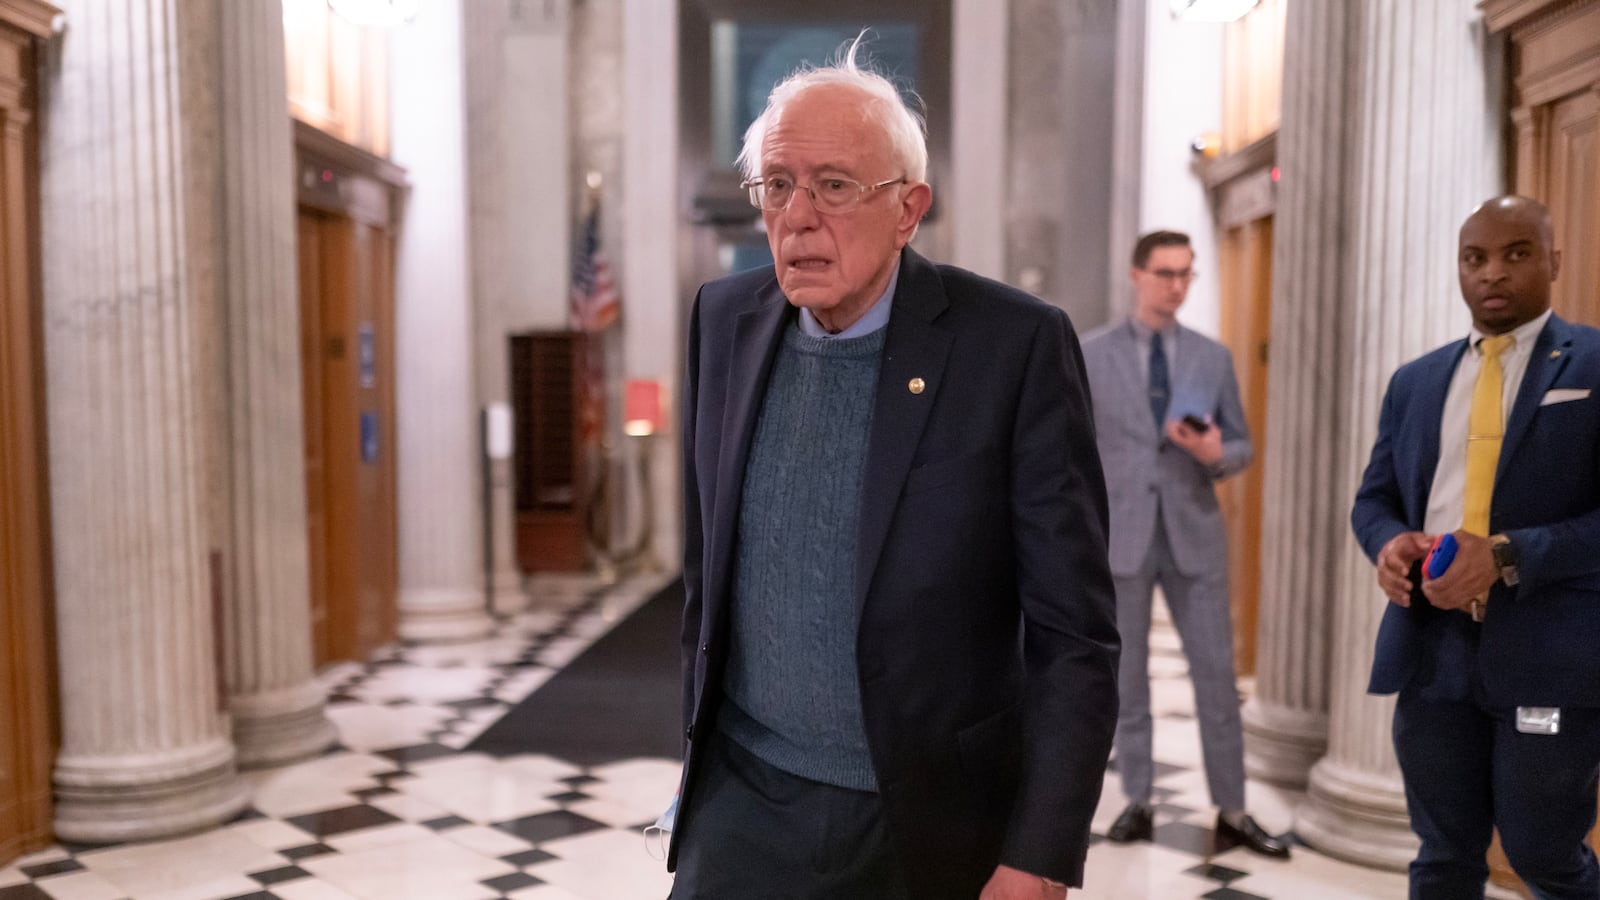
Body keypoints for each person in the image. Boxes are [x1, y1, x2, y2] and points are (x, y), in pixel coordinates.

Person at [666, 43, 1120, 900]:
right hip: (742, 801)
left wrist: (1040, 855)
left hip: (926, 818)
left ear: (909, 209)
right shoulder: (722, 319)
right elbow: (707, 567)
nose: (798, 216)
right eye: (777, 186)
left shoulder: (1011, 347)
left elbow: (1075, 636)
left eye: (835, 186)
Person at [1353, 195, 1600, 898]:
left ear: (1552, 260)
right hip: (1432, 651)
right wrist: (1389, 544)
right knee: (1442, 855)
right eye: (1475, 258)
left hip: (1551, 655)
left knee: (1542, 855)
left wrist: (1507, 554)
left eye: (1516, 254)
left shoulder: (1595, 364)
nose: (1493, 272)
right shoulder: (1417, 382)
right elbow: (1374, 500)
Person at [1080, 230, 1289, 858]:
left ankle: (1232, 809)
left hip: (1195, 532)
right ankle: (1138, 800)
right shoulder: (1089, 354)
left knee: (1218, 681)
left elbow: (1243, 445)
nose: (1177, 285)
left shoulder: (1212, 356)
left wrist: (1213, 453)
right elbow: (1070, 450)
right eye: (1166, 272)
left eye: (1187, 274)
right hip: (1121, 536)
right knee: (1128, 679)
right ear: (1136, 274)